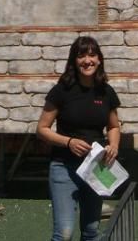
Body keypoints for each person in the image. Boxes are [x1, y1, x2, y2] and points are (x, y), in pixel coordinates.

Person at [37, 36, 121, 241]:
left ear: (99, 60)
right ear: (74, 61)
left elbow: (114, 126)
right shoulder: (61, 91)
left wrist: (114, 145)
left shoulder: (106, 91)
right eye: (81, 55)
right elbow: (42, 129)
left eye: (92, 55)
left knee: (91, 231)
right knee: (64, 233)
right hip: (63, 168)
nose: (87, 60)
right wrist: (68, 142)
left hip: (96, 168)